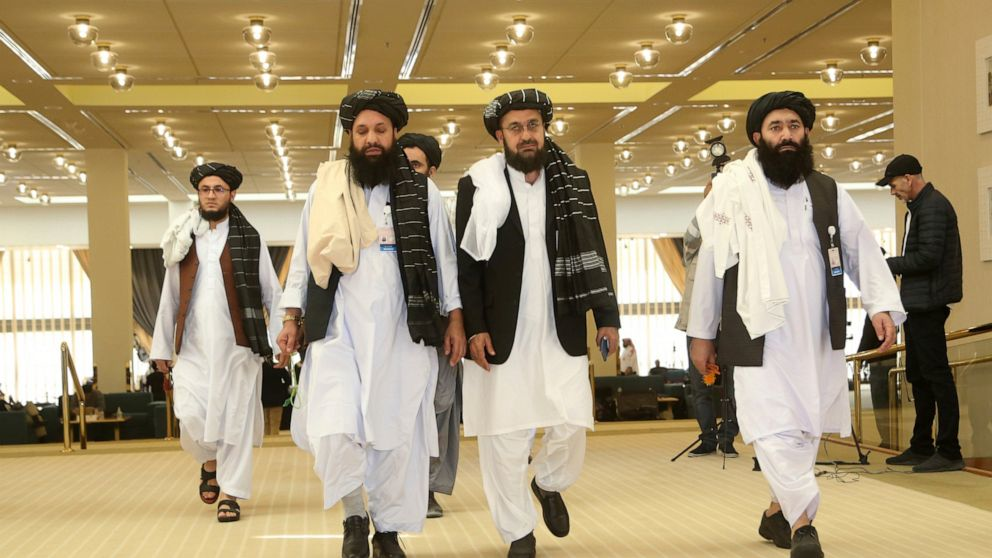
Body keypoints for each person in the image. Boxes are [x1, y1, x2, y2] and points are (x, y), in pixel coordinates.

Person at [687, 91, 904, 558]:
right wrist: (701, 333)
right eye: (776, 127)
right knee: (769, 426)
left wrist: (881, 305)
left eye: (794, 126)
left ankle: (776, 513)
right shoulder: (733, 191)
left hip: (816, 331)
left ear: (805, 133)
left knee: (805, 428)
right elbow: (710, 266)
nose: (786, 135)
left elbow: (861, 251)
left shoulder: (828, 191)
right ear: (757, 137)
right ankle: (803, 525)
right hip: (756, 334)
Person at [277, 90, 464, 558]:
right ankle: (353, 517)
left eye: (380, 130)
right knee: (335, 425)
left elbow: (444, 260)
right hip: (338, 328)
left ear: (395, 133)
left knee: (396, 437)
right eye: (362, 131)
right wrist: (292, 316)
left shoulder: (422, 191)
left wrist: (455, 319)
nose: (371, 139)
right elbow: (304, 257)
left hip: (404, 331)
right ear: (350, 136)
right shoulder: (326, 188)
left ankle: (388, 530)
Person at [456, 88, 620, 558]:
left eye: (533, 125)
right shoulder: (476, 184)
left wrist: (606, 316)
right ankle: (518, 533)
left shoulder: (573, 181)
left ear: (544, 129)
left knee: (571, 421)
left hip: (560, 323)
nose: (526, 135)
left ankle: (548, 482)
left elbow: (595, 247)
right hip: (500, 331)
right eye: (515, 127)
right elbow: (466, 265)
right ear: (499, 135)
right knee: (504, 437)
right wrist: (474, 327)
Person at [151, 162, 284, 523]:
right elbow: (170, 296)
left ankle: (231, 493)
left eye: (218, 189)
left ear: (232, 194)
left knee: (235, 421)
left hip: (239, 348)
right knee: (190, 414)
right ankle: (209, 460)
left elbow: (272, 293)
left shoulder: (250, 239)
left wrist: (279, 341)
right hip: (192, 347)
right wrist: (161, 348)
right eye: (205, 189)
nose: (211, 195)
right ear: (198, 193)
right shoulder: (183, 238)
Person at [878, 155, 964, 472]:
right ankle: (921, 445)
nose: (893, 192)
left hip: (929, 302)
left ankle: (950, 450)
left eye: (893, 185)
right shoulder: (918, 209)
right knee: (918, 375)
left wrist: (887, 264)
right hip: (916, 303)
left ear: (909, 178)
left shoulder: (933, 206)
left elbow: (928, 257)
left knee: (936, 376)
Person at [397, 132, 463, 519]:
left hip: (438, 323)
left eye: (416, 166)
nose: (407, 172)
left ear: (431, 171)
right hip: (397, 325)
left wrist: (456, 321)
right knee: (402, 407)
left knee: (440, 404)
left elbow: (453, 268)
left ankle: (429, 487)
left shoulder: (438, 205)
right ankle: (403, 484)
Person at [676, 180, 739, 458]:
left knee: (733, 386)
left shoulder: (735, 241)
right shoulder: (696, 245)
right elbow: (690, 235)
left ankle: (728, 436)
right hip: (696, 325)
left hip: (729, 325)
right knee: (700, 386)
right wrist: (709, 205)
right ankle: (708, 437)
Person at [261, 360, 291, 436]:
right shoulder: (278, 366)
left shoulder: (260, 367)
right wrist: (283, 388)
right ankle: (274, 439)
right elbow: (288, 380)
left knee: (265, 422)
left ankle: (266, 439)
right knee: (275, 422)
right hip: (277, 398)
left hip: (263, 398)